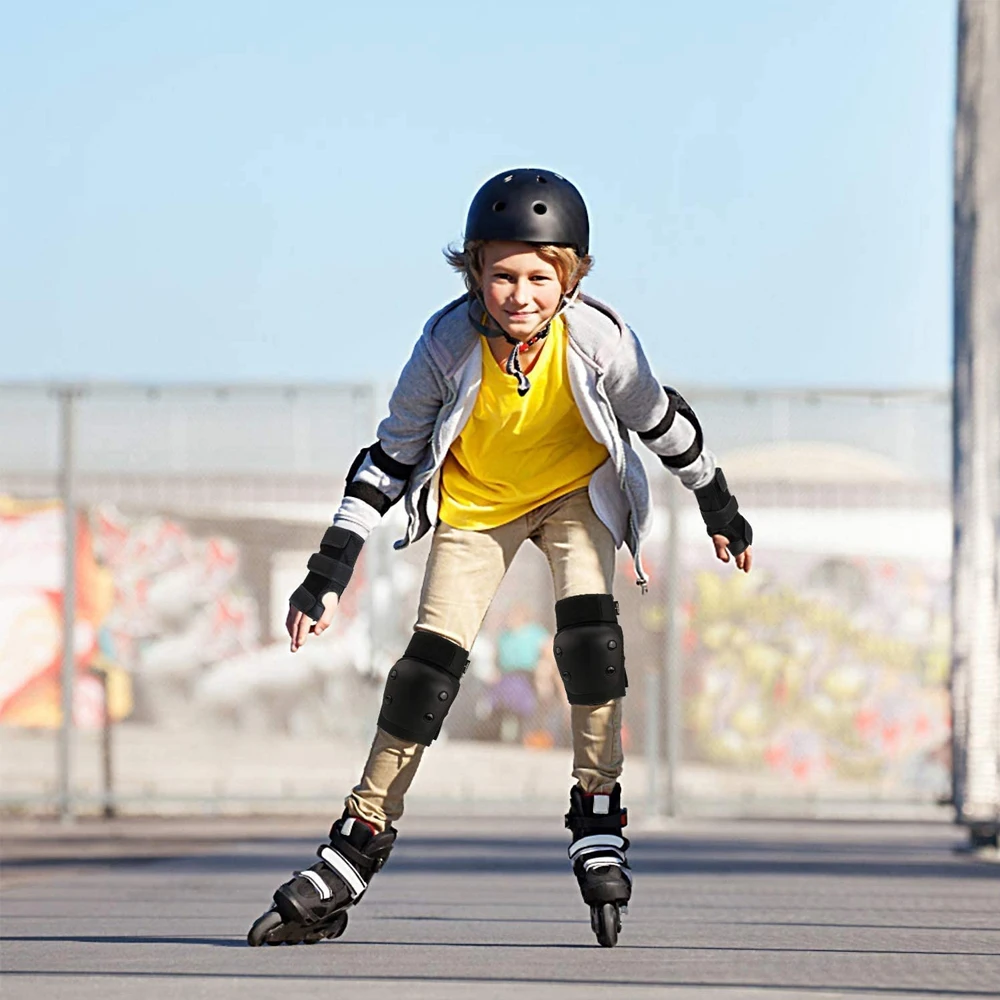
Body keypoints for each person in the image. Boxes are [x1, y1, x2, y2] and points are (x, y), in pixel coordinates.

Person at [247, 168, 753, 949]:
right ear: (475, 272)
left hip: (573, 494)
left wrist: (719, 506)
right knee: (427, 668)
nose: (520, 295)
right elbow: (386, 460)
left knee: (590, 635)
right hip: (475, 506)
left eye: (540, 277)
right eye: (503, 275)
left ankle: (597, 805)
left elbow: (664, 422)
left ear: (570, 277)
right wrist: (327, 572)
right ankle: (362, 831)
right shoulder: (445, 345)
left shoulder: (600, 341)